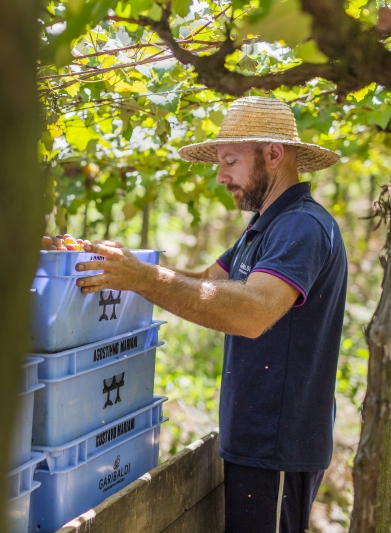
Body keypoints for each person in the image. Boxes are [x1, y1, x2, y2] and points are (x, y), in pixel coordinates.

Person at [75, 96, 348, 533]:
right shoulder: (264, 228)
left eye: (231, 161)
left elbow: (252, 313)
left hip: (277, 444)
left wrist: (142, 278)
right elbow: (206, 282)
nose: (222, 176)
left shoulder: (302, 226)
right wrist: (126, 269)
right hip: (254, 441)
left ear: (273, 154)